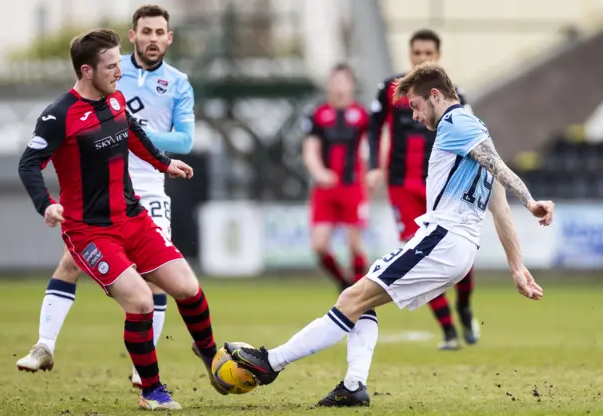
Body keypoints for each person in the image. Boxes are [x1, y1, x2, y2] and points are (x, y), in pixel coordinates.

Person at [224, 62, 554, 408]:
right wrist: (516, 267)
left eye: (415, 105)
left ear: (436, 96)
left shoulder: (456, 123)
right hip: (458, 249)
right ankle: (353, 385)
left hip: (442, 239)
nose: (413, 116)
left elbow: (501, 173)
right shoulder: (477, 131)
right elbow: (498, 207)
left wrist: (530, 201)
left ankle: (270, 363)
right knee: (360, 301)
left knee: (350, 301)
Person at [16, 5, 227, 396]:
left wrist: (164, 164)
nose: (119, 71)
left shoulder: (114, 101)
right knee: (142, 301)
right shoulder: (58, 115)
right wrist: (45, 203)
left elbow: (133, 133)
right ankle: (152, 389)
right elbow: (29, 164)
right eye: (111, 66)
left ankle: (214, 360)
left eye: (118, 64)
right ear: (87, 71)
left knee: (188, 287)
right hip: (90, 231)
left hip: (132, 218)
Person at [367, 29, 477, 350]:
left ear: (437, 56)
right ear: (410, 55)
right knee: (418, 254)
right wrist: (374, 165)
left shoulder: (454, 94)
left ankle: (465, 306)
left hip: (445, 188)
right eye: (417, 53)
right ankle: (448, 330)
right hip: (401, 184)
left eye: (428, 53)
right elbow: (374, 130)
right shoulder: (390, 89)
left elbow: (472, 138)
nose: (422, 58)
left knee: (458, 256)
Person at [302, 63, 369, 292]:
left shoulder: (361, 116)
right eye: (335, 80)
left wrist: (372, 173)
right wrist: (320, 172)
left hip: (353, 187)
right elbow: (310, 149)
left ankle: (360, 297)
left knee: (355, 245)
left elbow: (370, 148)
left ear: (351, 85)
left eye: (343, 80)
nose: (339, 86)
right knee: (319, 245)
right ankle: (344, 283)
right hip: (325, 189)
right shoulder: (318, 115)